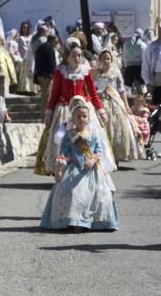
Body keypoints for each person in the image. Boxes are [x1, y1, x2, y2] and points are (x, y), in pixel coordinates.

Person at [40, 97, 119, 231]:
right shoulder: (69, 135)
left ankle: (93, 221)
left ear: (88, 117)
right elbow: (63, 153)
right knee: (71, 192)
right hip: (74, 169)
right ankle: (74, 221)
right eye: (78, 117)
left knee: (100, 194)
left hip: (92, 170)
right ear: (73, 119)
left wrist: (93, 160)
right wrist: (59, 169)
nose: (82, 119)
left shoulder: (94, 134)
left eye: (84, 116)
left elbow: (98, 151)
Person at [35, 44, 107, 176]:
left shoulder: (85, 70)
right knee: (62, 138)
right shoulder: (60, 71)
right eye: (74, 55)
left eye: (80, 55)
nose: (77, 58)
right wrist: (49, 112)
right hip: (64, 110)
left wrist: (100, 110)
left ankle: (87, 163)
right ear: (67, 56)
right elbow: (55, 94)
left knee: (86, 136)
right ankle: (62, 168)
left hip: (82, 108)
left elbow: (93, 93)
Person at [94, 50, 141, 163]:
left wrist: (126, 105)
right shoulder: (95, 73)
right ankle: (103, 155)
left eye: (108, 59)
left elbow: (121, 90)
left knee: (118, 128)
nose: (106, 61)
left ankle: (116, 155)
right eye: (104, 58)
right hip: (101, 102)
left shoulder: (115, 72)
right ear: (100, 60)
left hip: (115, 102)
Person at [33, 32, 59, 108]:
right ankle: (44, 117)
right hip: (46, 76)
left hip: (39, 74)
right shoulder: (50, 49)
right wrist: (52, 74)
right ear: (52, 40)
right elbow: (51, 63)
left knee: (44, 96)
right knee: (47, 97)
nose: (56, 44)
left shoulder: (40, 47)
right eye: (56, 42)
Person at [15, 21, 37, 95]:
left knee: (31, 73)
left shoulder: (31, 36)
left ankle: (32, 89)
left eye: (27, 27)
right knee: (24, 75)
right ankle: (24, 89)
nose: (25, 29)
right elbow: (15, 47)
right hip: (23, 58)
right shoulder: (19, 37)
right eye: (24, 27)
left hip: (31, 58)